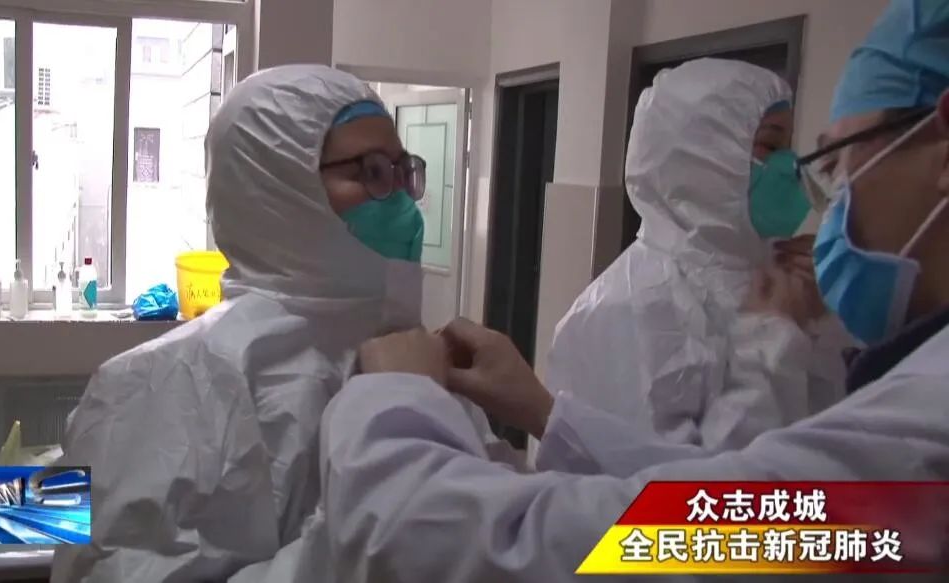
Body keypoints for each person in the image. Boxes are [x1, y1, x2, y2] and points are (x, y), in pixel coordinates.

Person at [316, 1, 949, 581]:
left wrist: (395, 399)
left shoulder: (918, 438)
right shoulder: (631, 303)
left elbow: (691, 534)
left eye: (840, 161)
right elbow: (705, 506)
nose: (829, 195)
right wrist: (545, 412)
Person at [50, 64, 497, 582]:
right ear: (276, 187)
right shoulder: (160, 385)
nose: (403, 202)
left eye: (402, 172)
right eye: (373, 172)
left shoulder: (424, 363)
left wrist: (549, 421)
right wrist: (369, 535)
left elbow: (526, 542)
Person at [546, 58, 845, 454]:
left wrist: (819, 321)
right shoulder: (627, 307)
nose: (790, 166)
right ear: (704, 156)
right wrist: (772, 345)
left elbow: (820, 434)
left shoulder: (769, 277)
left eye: (788, 147)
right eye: (771, 146)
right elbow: (662, 483)